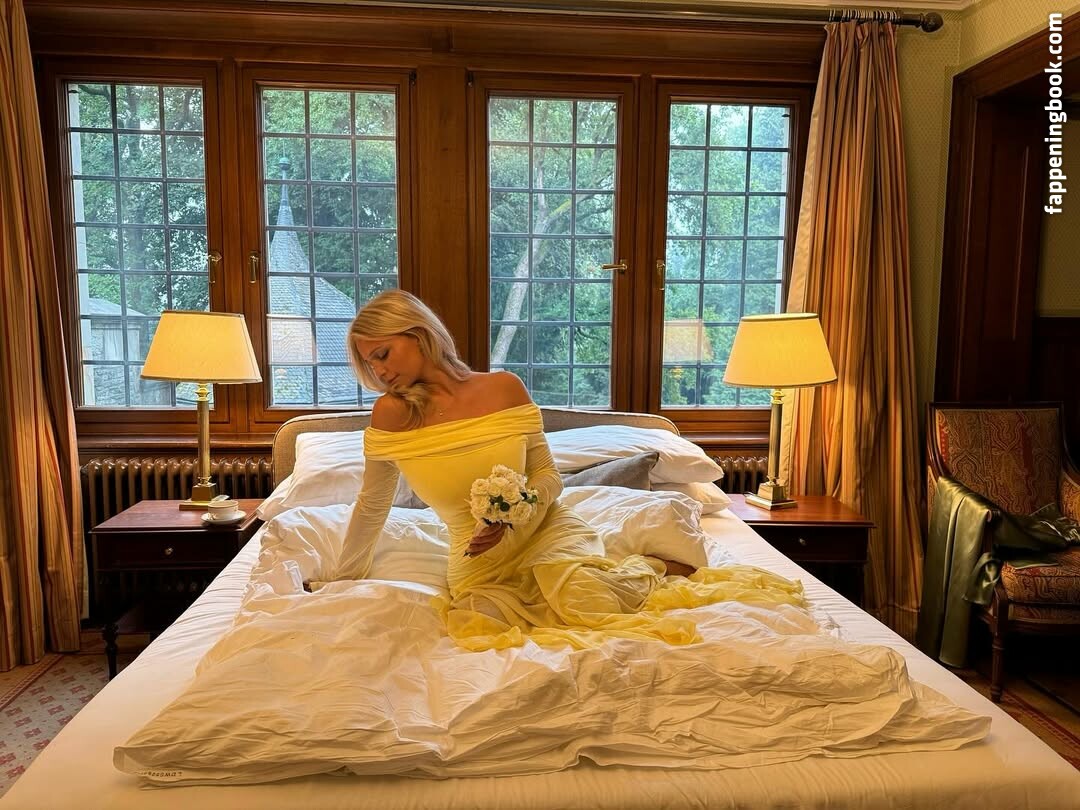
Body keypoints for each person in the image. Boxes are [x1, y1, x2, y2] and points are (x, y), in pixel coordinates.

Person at [326, 289, 804, 652]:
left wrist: (514, 515)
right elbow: (373, 504)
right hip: (477, 559)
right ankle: (619, 573)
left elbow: (548, 476)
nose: (379, 373)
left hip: (549, 532)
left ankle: (654, 569)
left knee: (583, 602)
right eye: (369, 364)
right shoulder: (392, 415)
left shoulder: (503, 389)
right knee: (482, 623)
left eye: (383, 354)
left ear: (419, 335)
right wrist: (344, 578)